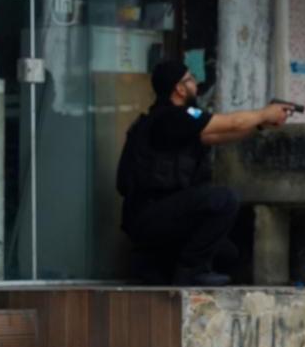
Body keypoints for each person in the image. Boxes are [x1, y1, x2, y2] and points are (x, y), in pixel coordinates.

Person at [116, 60, 292, 286]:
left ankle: (156, 267)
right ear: (179, 88)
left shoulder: (168, 120)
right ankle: (190, 271)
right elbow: (232, 122)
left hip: (156, 216)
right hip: (151, 214)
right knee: (224, 199)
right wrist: (264, 113)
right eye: (190, 79)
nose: (195, 84)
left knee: (227, 252)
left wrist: (261, 124)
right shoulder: (174, 117)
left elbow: (220, 135)